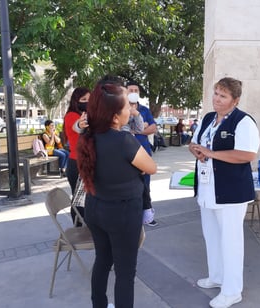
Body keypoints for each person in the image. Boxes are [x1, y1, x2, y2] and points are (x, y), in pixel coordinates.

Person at [77, 78, 157, 308]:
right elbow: (150, 167)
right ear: (114, 116)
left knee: (102, 260)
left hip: (96, 209)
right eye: (126, 107)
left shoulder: (88, 136)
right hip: (122, 213)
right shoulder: (124, 140)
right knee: (124, 272)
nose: (130, 110)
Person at [188, 77, 260, 308]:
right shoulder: (209, 118)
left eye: (223, 96)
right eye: (216, 93)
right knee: (212, 236)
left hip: (231, 191)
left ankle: (232, 291)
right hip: (208, 188)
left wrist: (211, 153)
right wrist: (196, 150)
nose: (216, 99)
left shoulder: (244, 122)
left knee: (231, 241)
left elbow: (247, 154)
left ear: (235, 100)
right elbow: (195, 142)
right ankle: (217, 276)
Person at [127, 80, 158, 227]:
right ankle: (134, 215)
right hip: (128, 154)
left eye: (136, 90)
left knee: (146, 185)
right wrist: (141, 127)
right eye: (130, 90)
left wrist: (136, 130)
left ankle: (147, 214)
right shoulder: (122, 109)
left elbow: (153, 128)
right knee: (131, 186)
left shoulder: (144, 110)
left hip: (144, 151)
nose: (133, 93)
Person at [63, 87, 90, 224]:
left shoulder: (88, 115)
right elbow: (77, 126)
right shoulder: (71, 116)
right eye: (83, 99)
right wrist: (81, 124)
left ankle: (85, 225)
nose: (87, 102)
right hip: (77, 163)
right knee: (79, 198)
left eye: (89, 99)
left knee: (87, 198)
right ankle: (78, 226)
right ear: (76, 101)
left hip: (86, 162)